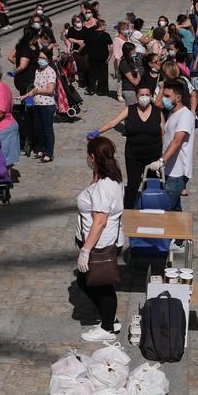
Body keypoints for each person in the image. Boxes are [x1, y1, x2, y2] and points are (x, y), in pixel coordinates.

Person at [74, 136, 125, 342]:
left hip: (100, 244)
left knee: (100, 284)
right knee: (89, 281)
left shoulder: (105, 186)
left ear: (93, 157)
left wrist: (86, 250)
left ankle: (108, 327)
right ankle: (109, 318)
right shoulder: (107, 177)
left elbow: (100, 221)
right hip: (100, 242)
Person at [92, 89, 164, 209]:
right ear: (136, 96)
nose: (144, 97)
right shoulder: (129, 110)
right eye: (142, 95)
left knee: (152, 185)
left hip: (153, 156)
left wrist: (163, 155)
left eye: (147, 95)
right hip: (133, 155)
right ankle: (128, 209)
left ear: (151, 96)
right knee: (133, 185)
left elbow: (163, 133)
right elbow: (114, 122)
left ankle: (150, 209)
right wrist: (98, 132)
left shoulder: (157, 112)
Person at [147, 80, 195, 210]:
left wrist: (162, 160)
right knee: (174, 209)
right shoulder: (173, 113)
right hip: (170, 169)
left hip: (177, 172)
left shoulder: (185, 115)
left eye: (168, 96)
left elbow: (177, 140)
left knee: (165, 208)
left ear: (178, 98)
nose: (164, 99)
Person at [23, 50, 58, 163]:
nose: (40, 60)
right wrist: (25, 95)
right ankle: (41, 149)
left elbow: (50, 90)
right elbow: (35, 88)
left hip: (47, 105)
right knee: (38, 129)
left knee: (47, 129)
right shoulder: (37, 71)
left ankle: (49, 153)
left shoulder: (50, 72)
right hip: (37, 103)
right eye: (39, 57)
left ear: (48, 60)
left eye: (43, 58)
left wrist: (37, 91)